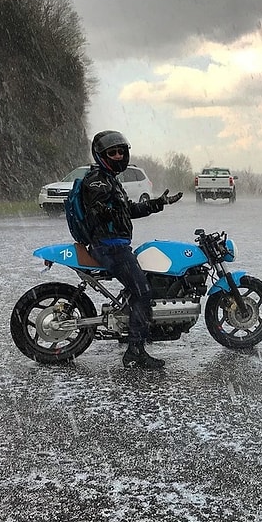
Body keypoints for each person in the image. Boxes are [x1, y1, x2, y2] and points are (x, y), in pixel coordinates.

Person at [82, 130, 183, 371]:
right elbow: (96, 208)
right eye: (112, 152)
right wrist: (106, 212)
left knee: (142, 284)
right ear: (101, 155)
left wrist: (157, 204)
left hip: (116, 244)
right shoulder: (97, 180)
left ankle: (133, 330)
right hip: (109, 247)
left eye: (121, 151)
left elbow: (128, 210)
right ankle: (135, 351)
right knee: (143, 293)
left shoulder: (110, 179)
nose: (118, 156)